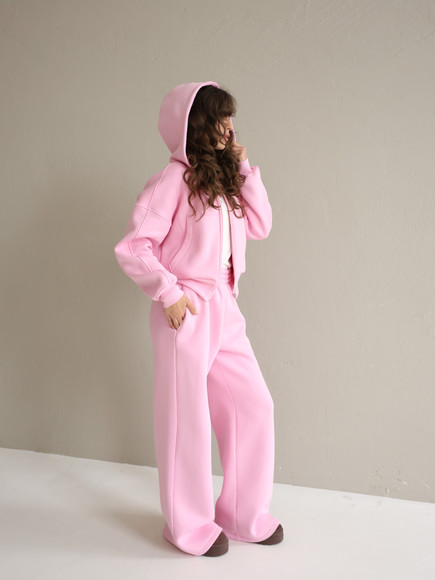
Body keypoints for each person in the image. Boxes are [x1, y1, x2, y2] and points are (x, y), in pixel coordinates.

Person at [114, 81, 283, 557]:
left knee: (253, 404)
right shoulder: (172, 180)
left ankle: (243, 514)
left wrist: (244, 168)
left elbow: (261, 225)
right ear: (194, 125)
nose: (228, 128)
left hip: (225, 305)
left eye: (231, 119)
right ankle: (187, 525)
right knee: (184, 418)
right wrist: (167, 293)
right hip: (185, 308)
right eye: (218, 119)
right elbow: (134, 245)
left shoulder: (223, 182)